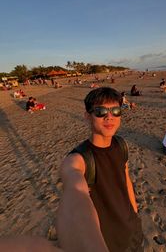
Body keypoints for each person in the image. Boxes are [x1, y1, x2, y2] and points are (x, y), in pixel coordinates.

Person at [57, 87, 144, 252]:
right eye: (101, 111)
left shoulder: (121, 144)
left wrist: (134, 212)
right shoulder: (79, 159)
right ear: (87, 116)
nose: (109, 116)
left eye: (115, 110)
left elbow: (125, 178)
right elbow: (73, 189)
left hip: (133, 231)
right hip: (106, 242)